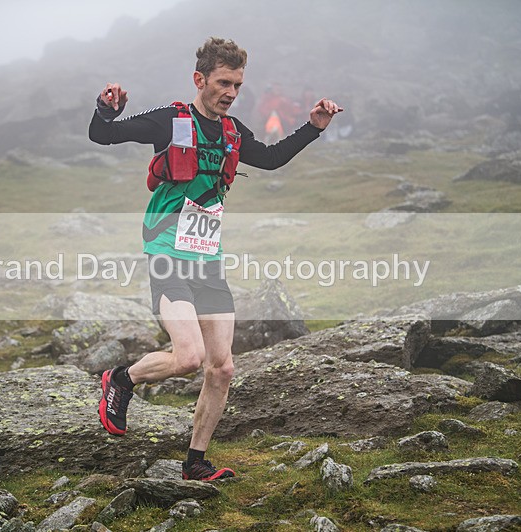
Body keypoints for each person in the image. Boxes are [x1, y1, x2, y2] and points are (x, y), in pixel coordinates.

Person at [88, 37, 341, 482]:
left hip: (206, 260)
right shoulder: (170, 121)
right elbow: (102, 134)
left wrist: (313, 127)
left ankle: (195, 462)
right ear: (199, 79)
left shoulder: (233, 131)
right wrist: (106, 108)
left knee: (221, 367)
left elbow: (271, 158)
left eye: (238, 85)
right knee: (188, 357)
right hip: (167, 254)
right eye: (223, 83)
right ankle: (122, 380)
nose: (230, 92)